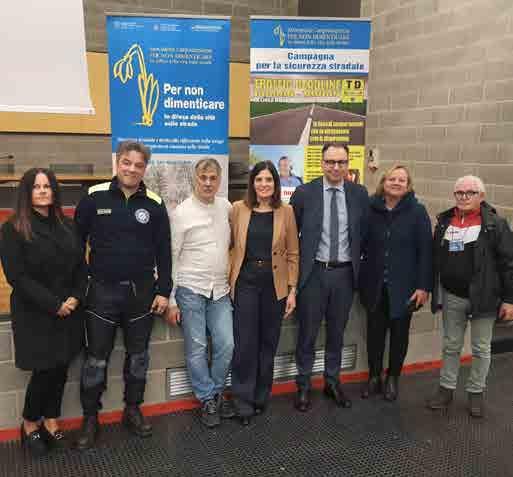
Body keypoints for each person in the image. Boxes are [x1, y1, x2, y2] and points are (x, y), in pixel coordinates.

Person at [74, 141, 172, 449]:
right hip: (101, 293)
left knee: (139, 357)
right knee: (95, 361)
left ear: (145, 169)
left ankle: (133, 409)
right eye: (127, 162)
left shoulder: (155, 203)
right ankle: (90, 418)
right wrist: (82, 284)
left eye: (138, 165)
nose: (132, 169)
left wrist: (164, 290)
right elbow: (75, 244)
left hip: (141, 295)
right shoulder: (94, 196)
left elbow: (164, 251)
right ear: (118, 163)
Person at [0, 168, 87, 456]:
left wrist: (75, 297)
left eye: (47, 186)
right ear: (27, 192)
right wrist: (54, 304)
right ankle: (29, 424)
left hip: (69, 310)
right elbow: (17, 276)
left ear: (54, 191)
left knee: (61, 368)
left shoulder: (68, 225)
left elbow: (81, 267)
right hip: (36, 312)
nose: (42, 191)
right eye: (36, 187)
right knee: (44, 371)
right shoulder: (13, 228)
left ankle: (51, 421)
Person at [290, 143, 369, 412]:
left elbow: (364, 234)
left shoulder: (359, 194)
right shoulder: (304, 193)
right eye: (330, 162)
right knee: (307, 333)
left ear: (348, 164)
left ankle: (332, 382)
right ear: (322, 163)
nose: (336, 167)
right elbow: (292, 235)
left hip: (344, 275)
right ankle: (303, 385)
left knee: (336, 332)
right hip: (313, 274)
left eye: (341, 162)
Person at [427, 175, 513, 418]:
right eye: (459, 193)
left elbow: (509, 264)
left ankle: (476, 392)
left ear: (481, 196)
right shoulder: (445, 222)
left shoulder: (495, 224)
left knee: (481, 348)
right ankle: (446, 389)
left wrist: (510, 299)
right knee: (451, 345)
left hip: (485, 298)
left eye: (470, 193)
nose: (464, 197)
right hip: (452, 296)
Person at [165, 158, 234, 429]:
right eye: (203, 178)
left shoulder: (226, 207)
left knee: (227, 344)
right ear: (195, 179)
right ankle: (207, 398)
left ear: (219, 180)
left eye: (212, 178)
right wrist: (172, 299)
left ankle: (215, 392)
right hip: (190, 290)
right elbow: (172, 256)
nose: (207, 183)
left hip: (220, 291)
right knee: (197, 348)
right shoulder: (181, 213)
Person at [230, 161, 299, 425]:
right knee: (245, 343)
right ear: (252, 183)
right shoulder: (238, 209)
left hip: (275, 285)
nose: (264, 184)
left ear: (276, 183)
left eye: (269, 179)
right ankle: (242, 400)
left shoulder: (286, 211)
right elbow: (230, 246)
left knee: (268, 343)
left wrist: (292, 290)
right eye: (259, 179)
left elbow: (293, 253)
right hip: (246, 283)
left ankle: (261, 396)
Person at [359, 165, 432, 401]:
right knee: (374, 335)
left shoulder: (417, 212)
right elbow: (360, 244)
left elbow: (426, 252)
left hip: (404, 288)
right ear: (384, 182)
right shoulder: (370, 209)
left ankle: (393, 378)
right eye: (392, 179)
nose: (396, 183)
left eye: (402, 180)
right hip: (374, 286)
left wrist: (423, 286)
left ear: (408, 185)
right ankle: (374, 376)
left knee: (399, 336)